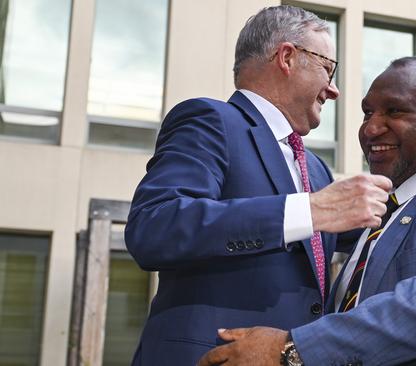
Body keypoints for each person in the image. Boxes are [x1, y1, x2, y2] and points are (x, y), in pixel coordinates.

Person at [197, 57, 416, 366]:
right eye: (367, 112)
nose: (371, 129)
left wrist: (290, 349)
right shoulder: (392, 207)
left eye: (394, 111)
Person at [124, 6, 393, 365]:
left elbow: (382, 234)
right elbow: (154, 228)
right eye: (328, 70)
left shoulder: (315, 169)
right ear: (287, 57)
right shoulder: (211, 120)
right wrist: (310, 210)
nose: (334, 90)